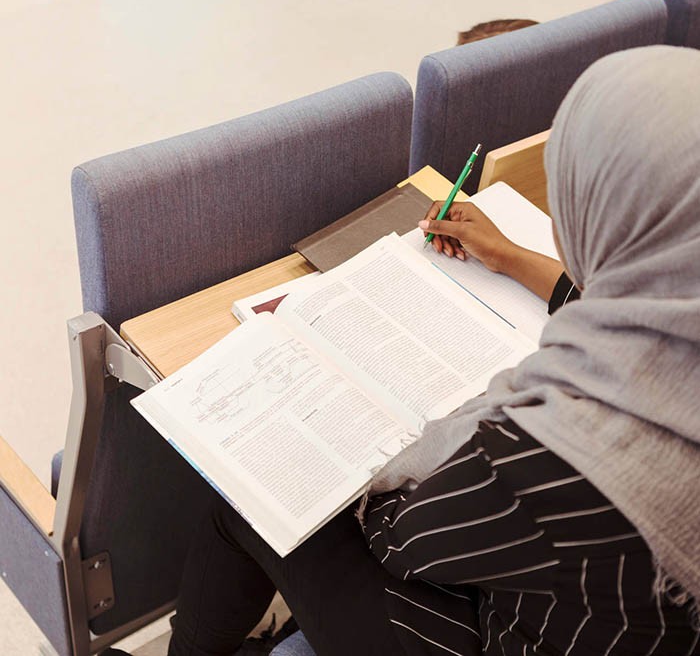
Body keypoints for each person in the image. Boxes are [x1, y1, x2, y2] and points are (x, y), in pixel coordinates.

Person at [168, 45, 700, 656]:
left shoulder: (560, 458)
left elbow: (405, 539)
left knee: (252, 493)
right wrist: (511, 258)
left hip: (514, 631)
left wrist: (402, 443)